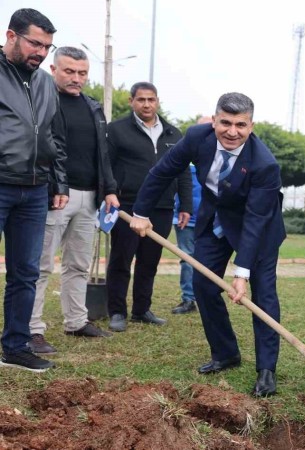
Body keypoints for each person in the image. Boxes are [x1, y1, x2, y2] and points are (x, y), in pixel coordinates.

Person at [129, 93, 285, 397]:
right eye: (225, 122)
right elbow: (163, 172)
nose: (232, 131)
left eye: (241, 125)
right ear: (214, 120)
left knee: (263, 295)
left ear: (251, 126)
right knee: (203, 285)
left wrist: (241, 273)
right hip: (215, 220)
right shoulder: (197, 137)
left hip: (259, 228)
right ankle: (225, 352)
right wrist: (140, 212)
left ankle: (266, 369)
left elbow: (254, 219)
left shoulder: (265, 164)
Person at [28, 47, 119, 356]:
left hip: (90, 197)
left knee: (79, 264)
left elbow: (102, 154)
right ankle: (32, 329)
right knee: (40, 265)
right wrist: (55, 185)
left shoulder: (94, 107)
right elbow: (44, 149)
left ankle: (77, 321)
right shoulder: (42, 102)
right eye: (69, 71)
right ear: (53, 70)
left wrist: (109, 188)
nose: (76, 78)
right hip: (55, 195)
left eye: (81, 73)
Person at [0, 8, 68, 373]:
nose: (41, 53)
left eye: (47, 47)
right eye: (35, 44)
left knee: (26, 272)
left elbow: (54, 136)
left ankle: (15, 346)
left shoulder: (44, 82)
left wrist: (58, 181)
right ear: (11, 36)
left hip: (34, 190)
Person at [105, 81, 192, 332]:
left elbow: (183, 172)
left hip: (162, 207)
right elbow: (107, 165)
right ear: (132, 101)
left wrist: (185, 204)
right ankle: (117, 312)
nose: (146, 104)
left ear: (157, 101)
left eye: (151, 99)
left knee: (149, 261)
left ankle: (141, 310)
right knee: (121, 260)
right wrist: (109, 192)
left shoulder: (174, 134)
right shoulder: (117, 130)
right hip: (127, 206)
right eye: (141, 99)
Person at [171, 115, 211, 315]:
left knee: (209, 261)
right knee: (187, 260)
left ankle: (207, 298)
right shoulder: (184, 156)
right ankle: (188, 299)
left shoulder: (221, 157)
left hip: (212, 221)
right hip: (186, 220)